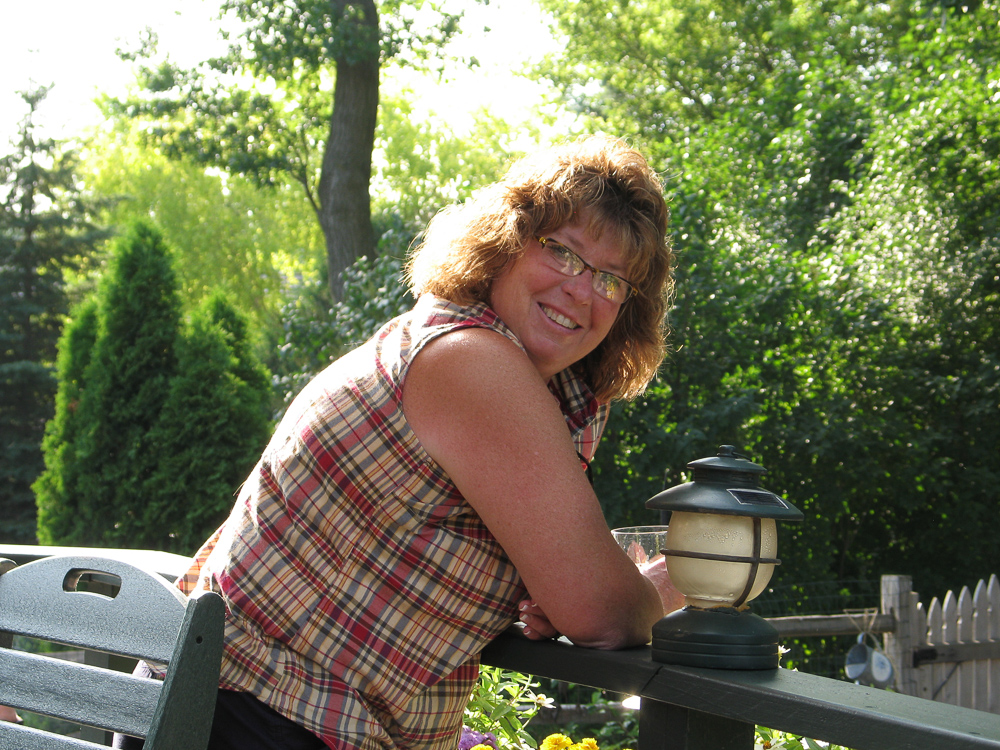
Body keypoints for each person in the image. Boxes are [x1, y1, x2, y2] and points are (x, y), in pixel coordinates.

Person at [116, 135, 679, 750]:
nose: (582, 289)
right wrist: (665, 590)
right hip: (246, 720)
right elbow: (601, 614)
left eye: (612, 280)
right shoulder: (474, 363)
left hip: (213, 708)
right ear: (506, 241)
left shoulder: (463, 351)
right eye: (564, 253)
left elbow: (493, 565)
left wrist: (546, 593)